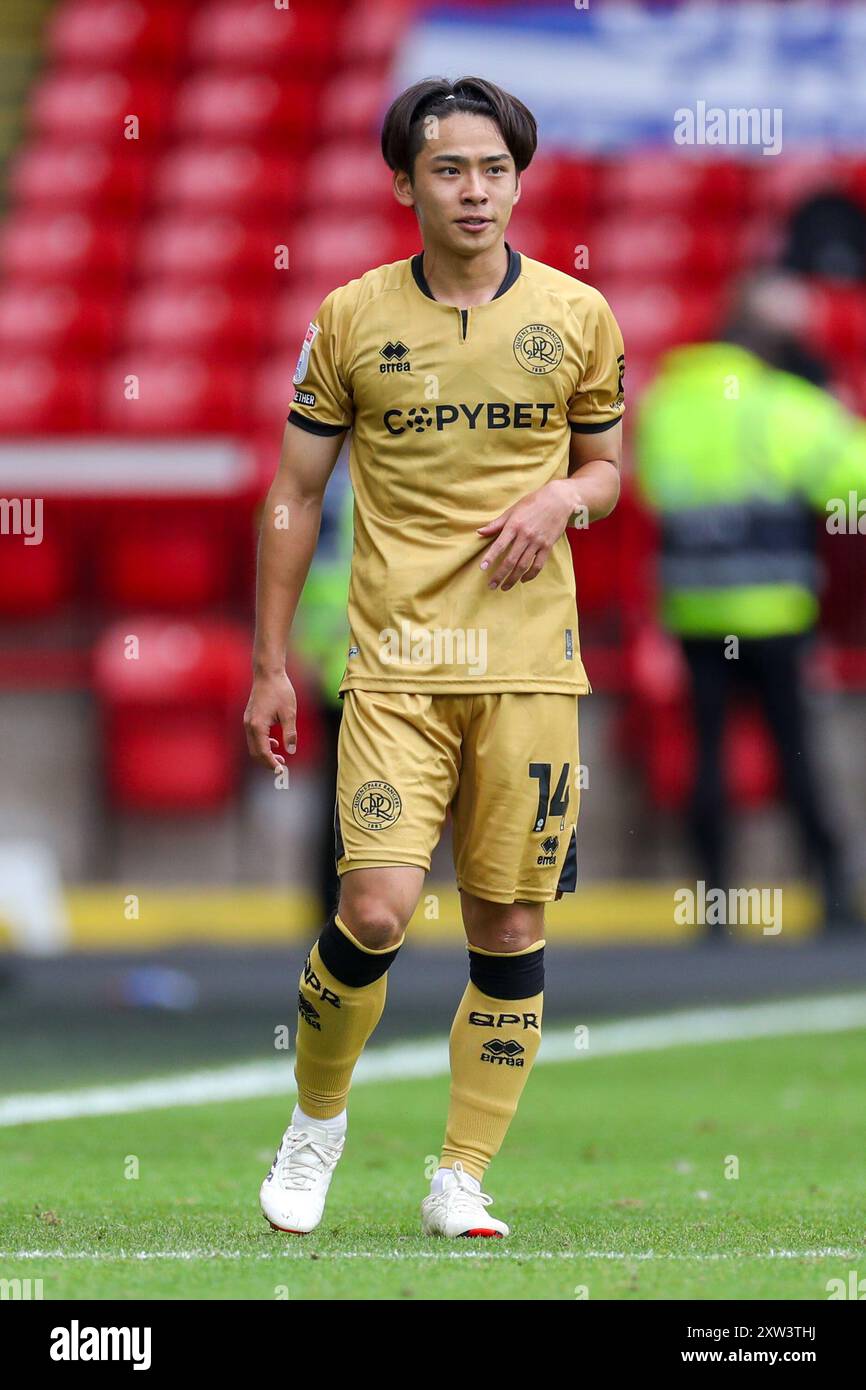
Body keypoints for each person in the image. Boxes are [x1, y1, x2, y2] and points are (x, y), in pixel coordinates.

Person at [244, 76, 624, 1238]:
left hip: (529, 671)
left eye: (493, 168)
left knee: (507, 926)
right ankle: (314, 1126)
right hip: (398, 666)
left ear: (519, 179)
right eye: (448, 168)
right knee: (373, 909)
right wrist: (268, 662)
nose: (474, 189)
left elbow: (609, 472)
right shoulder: (353, 318)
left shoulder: (578, 315)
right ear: (403, 181)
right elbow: (293, 494)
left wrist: (561, 495)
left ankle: (459, 1174)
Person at [635, 273, 866, 940]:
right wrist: (833, 404)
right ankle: (831, 894)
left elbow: (650, 486)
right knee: (794, 751)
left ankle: (714, 906)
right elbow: (851, 481)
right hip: (773, 612)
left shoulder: (669, 400)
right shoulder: (782, 402)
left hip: (694, 610)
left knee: (707, 754)